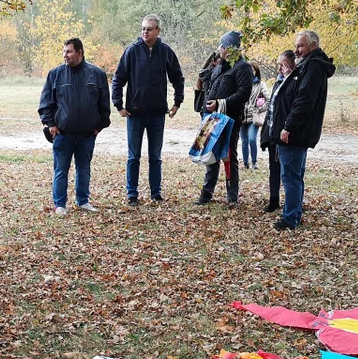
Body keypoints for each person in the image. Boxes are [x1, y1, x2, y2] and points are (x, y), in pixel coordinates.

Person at [265, 31, 335, 231]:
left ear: (313, 45)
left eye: (300, 46)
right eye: (296, 46)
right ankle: (293, 213)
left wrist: (288, 126)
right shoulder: (307, 65)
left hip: (296, 133)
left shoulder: (314, 67)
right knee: (294, 175)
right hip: (296, 132)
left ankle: (290, 218)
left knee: (291, 176)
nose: (296, 50)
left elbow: (304, 100)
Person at [111, 14, 185, 205]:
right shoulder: (132, 52)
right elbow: (118, 79)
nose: (145, 32)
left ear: (158, 31)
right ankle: (132, 194)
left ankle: (155, 193)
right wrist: (119, 105)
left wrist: (177, 103)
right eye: (143, 28)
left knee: (155, 157)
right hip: (135, 114)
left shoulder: (166, 52)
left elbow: (178, 78)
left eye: (149, 29)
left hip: (157, 114)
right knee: (133, 156)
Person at [38, 38, 111, 216]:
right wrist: (51, 125)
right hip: (63, 134)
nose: (65, 55)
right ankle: (60, 204)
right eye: (64, 52)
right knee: (61, 170)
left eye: (69, 52)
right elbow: (46, 103)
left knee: (84, 169)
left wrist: (98, 126)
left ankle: (83, 201)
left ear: (80, 52)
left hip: (87, 134)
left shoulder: (97, 74)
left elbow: (104, 106)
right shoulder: (55, 74)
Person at [195, 31, 252, 205]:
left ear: (229, 48)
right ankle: (206, 193)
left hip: (229, 118)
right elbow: (210, 85)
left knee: (228, 156)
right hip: (211, 117)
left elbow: (244, 93)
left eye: (221, 46)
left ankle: (232, 195)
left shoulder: (243, 67)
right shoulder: (219, 65)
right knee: (209, 154)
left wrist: (221, 103)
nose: (219, 49)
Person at [261, 50, 296, 213]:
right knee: (273, 169)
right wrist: (266, 135)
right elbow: (271, 111)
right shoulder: (278, 83)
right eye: (278, 65)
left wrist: (286, 129)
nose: (279, 69)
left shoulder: (295, 82)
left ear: (292, 65)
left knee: (289, 173)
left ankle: (292, 206)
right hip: (274, 134)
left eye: (282, 65)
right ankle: (273, 200)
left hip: (287, 135)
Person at [240, 62, 270, 170]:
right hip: (242, 117)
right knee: (244, 141)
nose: (251, 72)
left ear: (256, 71)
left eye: (253, 70)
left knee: (252, 139)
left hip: (254, 118)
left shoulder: (261, 85)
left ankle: (254, 162)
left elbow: (269, 100)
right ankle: (245, 163)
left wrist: (259, 109)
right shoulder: (241, 83)